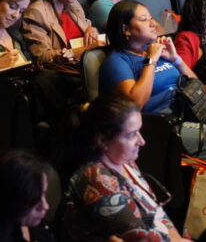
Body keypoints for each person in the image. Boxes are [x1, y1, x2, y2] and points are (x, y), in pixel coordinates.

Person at [99, 1, 206, 174]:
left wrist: (175, 59)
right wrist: (150, 62)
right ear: (126, 30)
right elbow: (135, 104)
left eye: (151, 18)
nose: (153, 23)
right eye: (144, 20)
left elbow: (197, 86)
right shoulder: (118, 61)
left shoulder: (156, 50)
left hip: (191, 110)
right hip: (162, 125)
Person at [64, 95, 192, 241]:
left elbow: (158, 214)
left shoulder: (126, 162)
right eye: (131, 135)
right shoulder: (97, 181)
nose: (142, 141)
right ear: (102, 141)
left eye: (139, 131)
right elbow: (141, 237)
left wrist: (178, 239)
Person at [21, 0, 99, 65]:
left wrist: (91, 29)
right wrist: (64, 56)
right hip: (63, 72)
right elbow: (41, 55)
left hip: (85, 64)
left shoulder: (73, 4)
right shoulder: (36, 13)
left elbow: (87, 25)